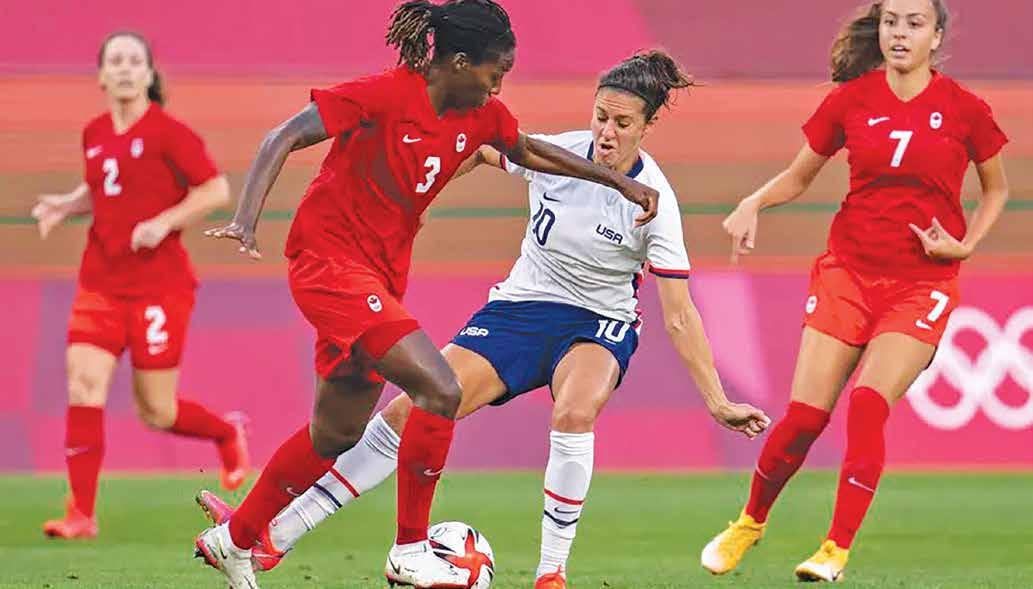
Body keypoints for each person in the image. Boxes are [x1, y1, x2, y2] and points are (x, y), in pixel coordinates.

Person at [195, 50, 770, 589]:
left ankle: (551, 572)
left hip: (597, 322)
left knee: (574, 411)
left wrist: (716, 400)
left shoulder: (655, 201)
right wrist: (414, 193)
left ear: (646, 127)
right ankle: (273, 537)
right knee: (410, 410)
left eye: (623, 123)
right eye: (601, 117)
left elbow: (679, 314)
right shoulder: (560, 154)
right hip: (520, 309)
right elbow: (479, 148)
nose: (606, 132)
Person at [699, 0, 1010, 581]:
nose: (900, 33)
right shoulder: (851, 100)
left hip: (921, 283)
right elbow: (799, 176)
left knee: (867, 406)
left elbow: (997, 190)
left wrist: (966, 244)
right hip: (847, 272)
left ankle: (834, 549)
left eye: (915, 23)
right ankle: (749, 523)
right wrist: (753, 202)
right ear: (880, 28)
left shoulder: (965, 109)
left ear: (936, 35)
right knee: (803, 419)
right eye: (892, 21)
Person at [32, 31, 249, 540]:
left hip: (159, 288)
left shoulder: (170, 133)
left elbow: (216, 189)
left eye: (134, 61)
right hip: (100, 282)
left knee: (157, 411)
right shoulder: (93, 132)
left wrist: (165, 222)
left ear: (149, 74)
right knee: (83, 384)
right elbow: (106, 186)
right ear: (102, 76)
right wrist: (67, 204)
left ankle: (226, 432)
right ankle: (81, 514)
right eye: (116, 61)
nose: (125, 69)